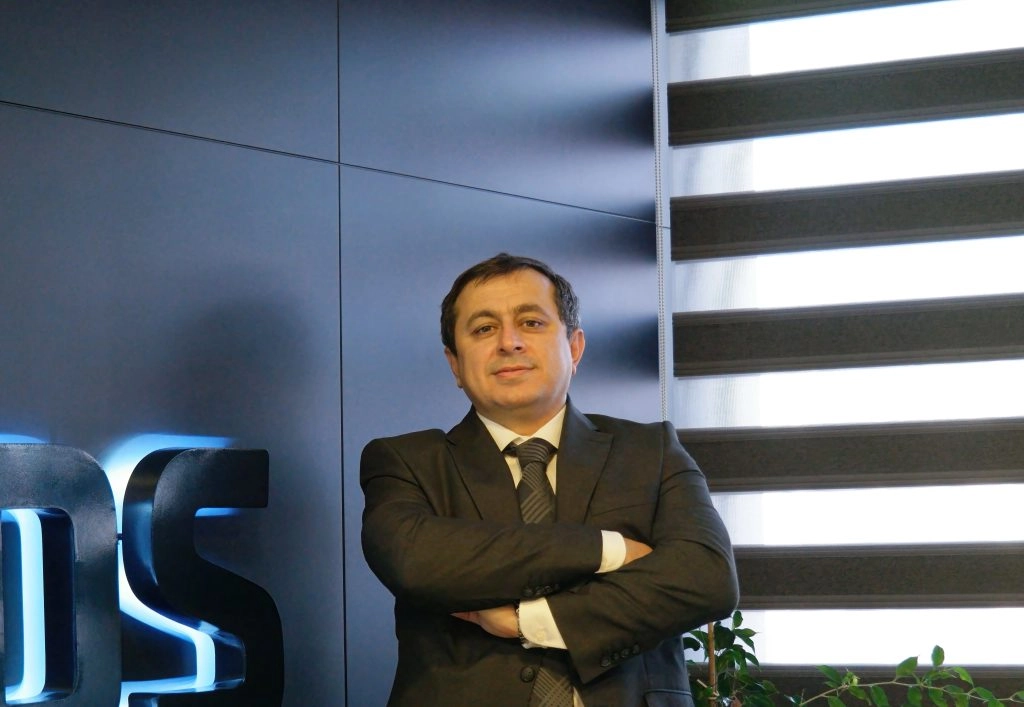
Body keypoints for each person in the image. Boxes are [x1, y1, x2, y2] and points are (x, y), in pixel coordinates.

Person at [361, 253, 738, 707]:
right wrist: (608, 549)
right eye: (484, 329)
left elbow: (707, 578)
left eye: (531, 323)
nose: (509, 342)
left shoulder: (651, 451)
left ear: (574, 348)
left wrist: (532, 621)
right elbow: (416, 562)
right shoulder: (407, 462)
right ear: (455, 364)